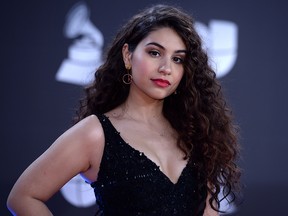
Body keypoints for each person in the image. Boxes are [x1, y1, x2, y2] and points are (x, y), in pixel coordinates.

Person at [7, 4, 241, 216]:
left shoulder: (196, 133)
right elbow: (24, 197)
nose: (166, 68)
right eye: (155, 53)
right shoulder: (96, 133)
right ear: (128, 55)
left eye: (178, 59)